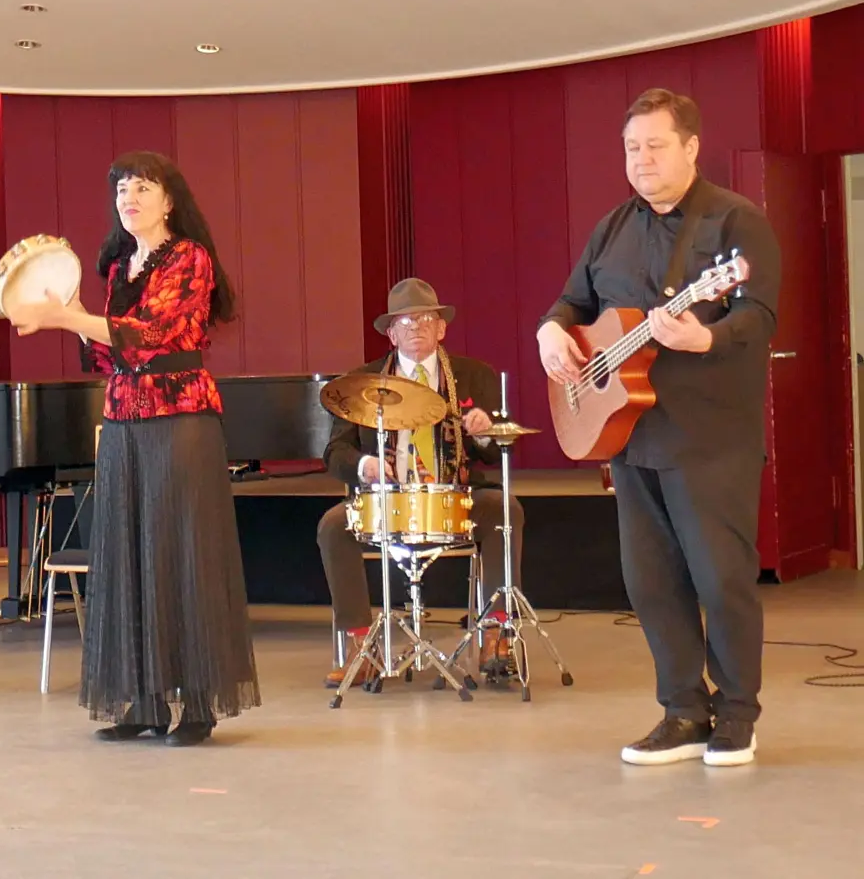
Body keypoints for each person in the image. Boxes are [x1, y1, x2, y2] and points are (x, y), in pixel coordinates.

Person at [537, 88, 780, 767]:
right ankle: (682, 710)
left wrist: (705, 340)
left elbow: (758, 315)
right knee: (650, 583)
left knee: (720, 579)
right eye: (631, 148)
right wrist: (550, 331)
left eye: (656, 145)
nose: (641, 160)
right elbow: (573, 300)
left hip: (710, 438)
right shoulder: (612, 226)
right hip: (627, 435)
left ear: (692, 147)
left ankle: (736, 715)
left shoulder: (738, 223)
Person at [4, 150, 260, 747]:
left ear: (169, 201)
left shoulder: (191, 258)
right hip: (122, 420)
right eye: (121, 188)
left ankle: (197, 702)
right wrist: (54, 311)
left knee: (182, 554)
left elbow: (148, 338)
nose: (129, 197)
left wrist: (67, 317)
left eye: (143, 187)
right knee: (128, 554)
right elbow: (109, 354)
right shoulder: (120, 267)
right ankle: (142, 701)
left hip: (182, 417)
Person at [317, 278, 523, 686]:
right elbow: (334, 454)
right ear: (392, 333)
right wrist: (366, 466)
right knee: (333, 526)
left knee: (506, 511)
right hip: (386, 500)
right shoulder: (360, 382)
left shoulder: (473, 375)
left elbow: (498, 450)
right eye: (405, 320)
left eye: (425, 318)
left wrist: (484, 432)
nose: (415, 327)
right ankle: (362, 646)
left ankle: (496, 636)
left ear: (441, 328)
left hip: (456, 496)